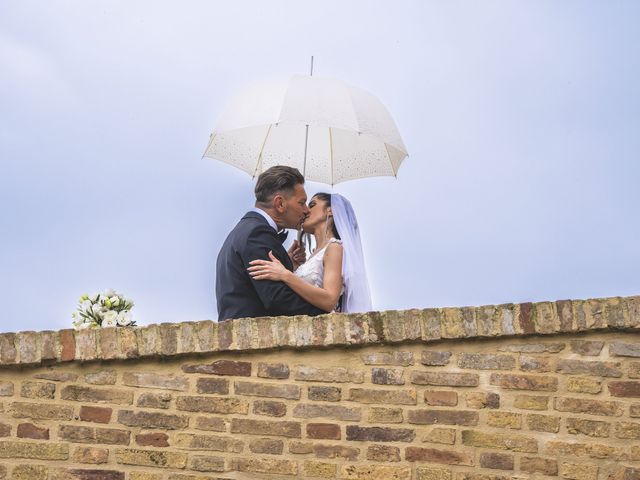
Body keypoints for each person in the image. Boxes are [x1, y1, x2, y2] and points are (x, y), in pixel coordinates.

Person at [216, 166, 328, 321]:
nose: (306, 211)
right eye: (302, 203)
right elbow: (278, 299)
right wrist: (328, 316)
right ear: (280, 204)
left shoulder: (246, 229)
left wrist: (289, 264)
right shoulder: (257, 234)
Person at [248, 193, 372, 313]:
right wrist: (292, 265)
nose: (306, 210)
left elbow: (330, 300)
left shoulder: (334, 248)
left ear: (330, 211)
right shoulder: (314, 254)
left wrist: (285, 275)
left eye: (312, 205)